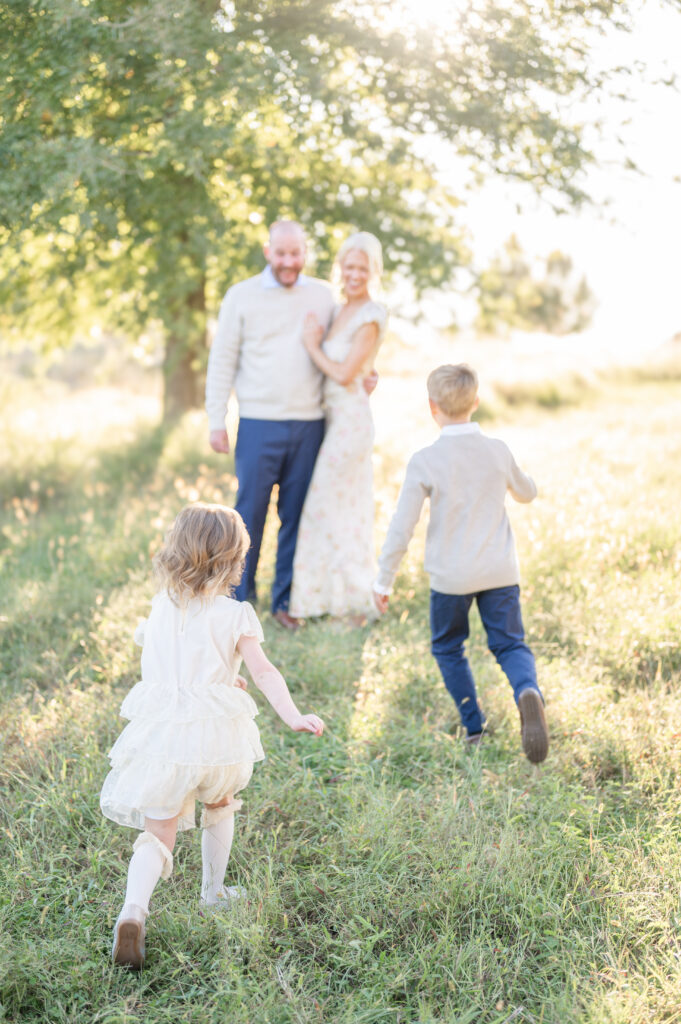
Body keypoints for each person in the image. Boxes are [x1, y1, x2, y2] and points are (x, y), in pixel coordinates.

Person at [100, 503, 324, 970]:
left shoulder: (161, 607)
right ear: (232, 561)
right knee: (219, 806)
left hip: (164, 742)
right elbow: (263, 672)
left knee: (157, 833)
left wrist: (216, 681)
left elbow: (167, 670)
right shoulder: (236, 614)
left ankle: (133, 910)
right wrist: (292, 714)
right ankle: (213, 892)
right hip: (218, 742)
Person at [372, 364, 549, 763]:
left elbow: (403, 526)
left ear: (432, 406)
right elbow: (527, 493)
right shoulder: (497, 450)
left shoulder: (425, 459)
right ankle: (526, 689)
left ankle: (474, 726)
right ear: (477, 401)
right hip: (499, 571)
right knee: (510, 643)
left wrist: (384, 580)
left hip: (451, 578)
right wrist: (520, 476)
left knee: (449, 647)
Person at [206, 220, 373, 631]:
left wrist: (371, 373)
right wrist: (216, 419)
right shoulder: (240, 296)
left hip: (311, 423)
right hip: (259, 422)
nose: (288, 262)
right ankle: (239, 601)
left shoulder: (322, 294)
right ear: (268, 252)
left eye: (295, 254)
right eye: (280, 254)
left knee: (297, 516)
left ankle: (286, 602)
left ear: (304, 254)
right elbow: (222, 359)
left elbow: (347, 343)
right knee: (248, 516)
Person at [289, 232, 387, 622]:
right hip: (332, 418)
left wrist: (312, 346)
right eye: (349, 266)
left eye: (363, 268)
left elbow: (347, 373)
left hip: (352, 422)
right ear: (340, 268)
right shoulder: (339, 309)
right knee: (339, 509)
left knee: (325, 507)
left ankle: (345, 603)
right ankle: (330, 599)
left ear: (373, 271)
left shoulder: (372, 314)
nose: (355, 274)